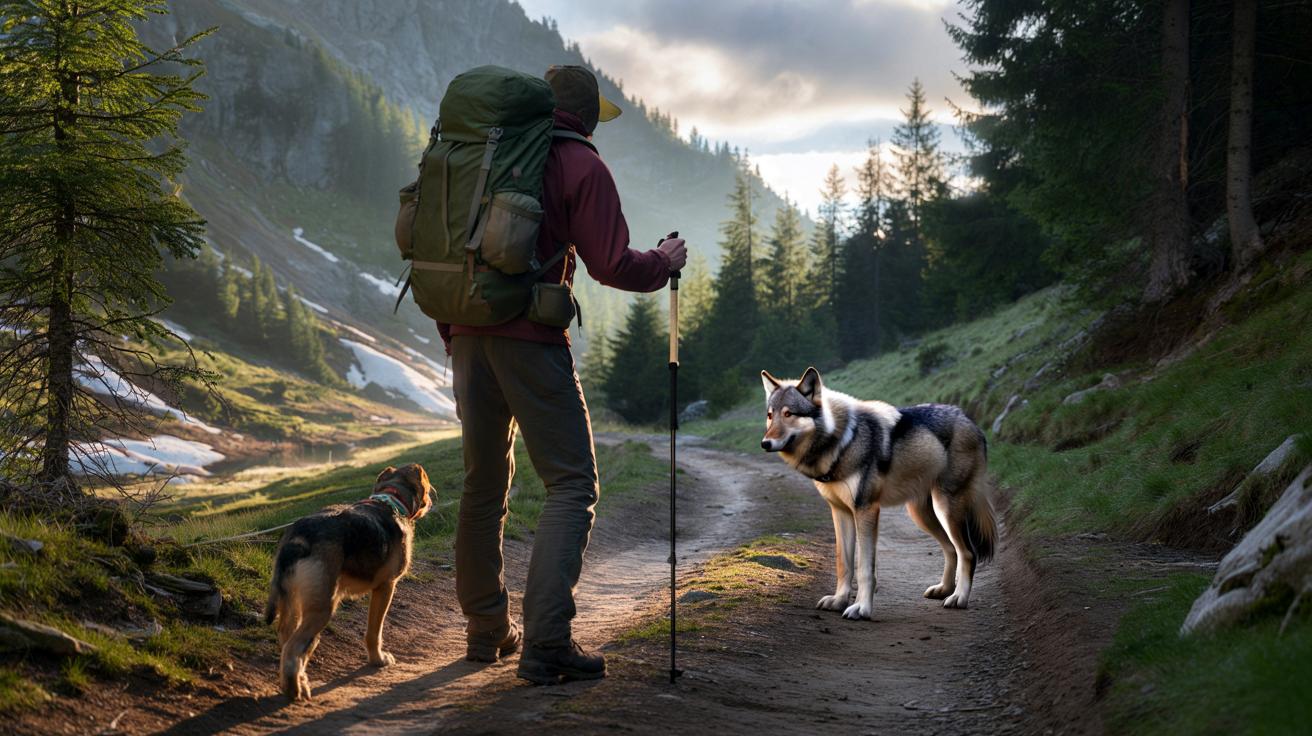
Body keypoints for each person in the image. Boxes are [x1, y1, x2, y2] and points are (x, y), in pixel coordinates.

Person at [439, 65, 688, 684]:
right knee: (572, 485)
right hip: (530, 340)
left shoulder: (481, 152)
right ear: (586, 114)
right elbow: (610, 264)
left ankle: (486, 632)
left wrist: (457, 332)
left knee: (482, 486)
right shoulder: (581, 164)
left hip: (467, 335)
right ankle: (547, 645)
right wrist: (663, 262)